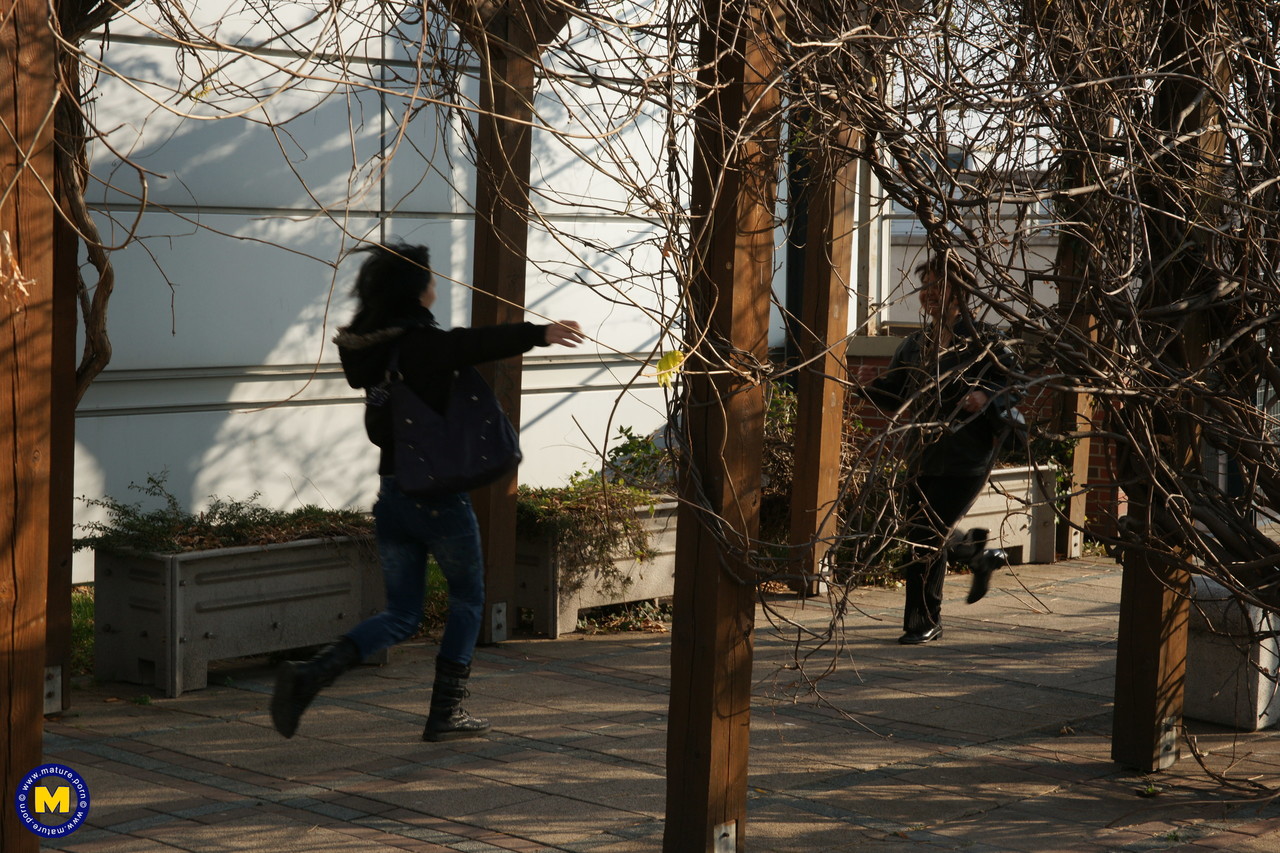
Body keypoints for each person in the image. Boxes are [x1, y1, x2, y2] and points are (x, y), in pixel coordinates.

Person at [271, 241, 585, 740]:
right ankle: (447, 711)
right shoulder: (420, 345)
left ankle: (311, 674)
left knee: (402, 613)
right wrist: (539, 333)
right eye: (431, 280)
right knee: (467, 600)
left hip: (393, 494)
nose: (436, 287)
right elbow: (469, 345)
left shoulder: (377, 353)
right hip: (436, 499)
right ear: (416, 292)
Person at [855, 252, 1022, 645]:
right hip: (922, 453)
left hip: (967, 454)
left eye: (938, 286)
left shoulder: (986, 342)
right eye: (924, 286)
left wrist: (986, 394)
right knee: (920, 531)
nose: (929, 293)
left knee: (925, 535)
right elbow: (897, 394)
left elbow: (1016, 384)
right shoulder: (915, 345)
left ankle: (924, 621)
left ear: (960, 293)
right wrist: (864, 385)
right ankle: (978, 556)